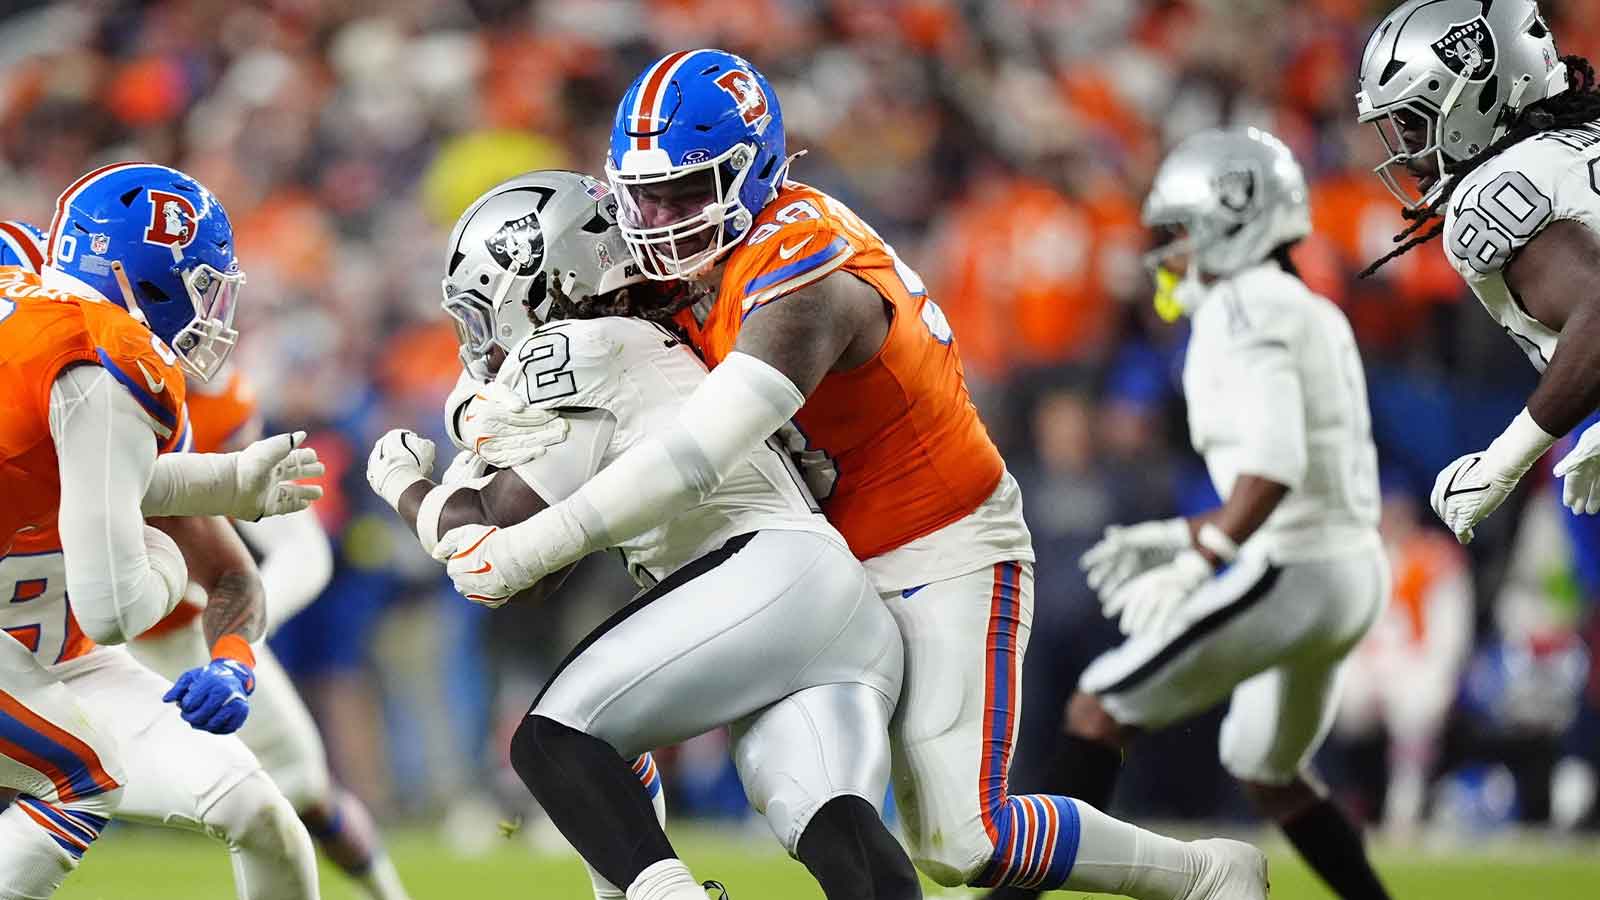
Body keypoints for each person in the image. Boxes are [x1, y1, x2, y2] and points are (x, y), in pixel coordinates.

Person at [441, 50, 1266, 900]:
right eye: (642, 195)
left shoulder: (807, 266)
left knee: (965, 839)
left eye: (686, 193)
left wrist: (529, 544)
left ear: (753, 171)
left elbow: (695, 453)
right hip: (818, 558)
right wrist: (475, 407)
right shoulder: (681, 265)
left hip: (941, 543)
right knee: (816, 800)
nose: (659, 220)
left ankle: (1204, 873)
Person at [368, 170, 920, 900]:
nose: (477, 338)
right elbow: (533, 581)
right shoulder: (652, 338)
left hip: (761, 582)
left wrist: (405, 482)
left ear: (540, 279)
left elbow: (484, 550)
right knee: (842, 839)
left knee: (553, 741)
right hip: (832, 602)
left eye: (481, 310)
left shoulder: (578, 346)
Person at [985, 128, 1397, 900]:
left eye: (1179, 231)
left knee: (1100, 703)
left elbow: (1273, 466)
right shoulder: (1302, 303)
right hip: (1347, 564)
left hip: (1294, 568)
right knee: (1266, 767)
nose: (1169, 251)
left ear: (1230, 219)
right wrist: (1189, 535)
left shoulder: (1244, 306)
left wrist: (1202, 553)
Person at [0, 162, 324, 899]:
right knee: (77, 781)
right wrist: (163, 563)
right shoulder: (102, 358)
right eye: (202, 283)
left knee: (262, 812)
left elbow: (230, 570)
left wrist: (234, 662)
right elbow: (116, 605)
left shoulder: (89, 385)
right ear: (141, 280)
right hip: (45, 646)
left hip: (61, 659)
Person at [128, 360, 411, 900]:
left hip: (188, 634)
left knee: (305, 791)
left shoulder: (216, 401)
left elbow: (302, 552)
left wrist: (234, 649)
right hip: (78, 640)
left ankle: (390, 894)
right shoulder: (63, 378)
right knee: (52, 790)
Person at [1356, 0, 1600, 539]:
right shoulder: (1582, 137)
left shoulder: (1490, 195)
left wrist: (1500, 465)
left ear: (1477, 97)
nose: (1404, 150)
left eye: (1412, 121)